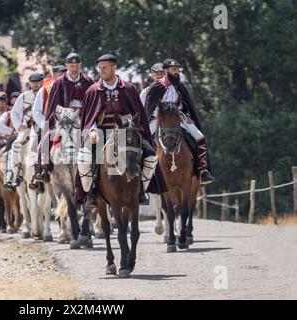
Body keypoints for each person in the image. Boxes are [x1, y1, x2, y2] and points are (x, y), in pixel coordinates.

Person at [76, 53, 168, 209]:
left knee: (151, 155)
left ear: (114, 67)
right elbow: (89, 117)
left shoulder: (129, 89)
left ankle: (141, 190)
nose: (101, 70)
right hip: (102, 133)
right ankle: (90, 193)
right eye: (100, 68)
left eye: (104, 67)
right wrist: (91, 130)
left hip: (126, 132)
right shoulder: (93, 90)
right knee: (84, 158)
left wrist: (130, 121)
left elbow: (137, 114)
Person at [144, 59, 215, 184]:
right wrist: (155, 117)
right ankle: (144, 173)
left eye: (177, 69)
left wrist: (187, 114)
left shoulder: (181, 86)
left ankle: (202, 169)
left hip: (179, 118)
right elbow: (149, 107)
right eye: (174, 69)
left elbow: (187, 105)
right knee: (145, 139)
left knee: (199, 137)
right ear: (166, 71)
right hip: (158, 119)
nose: (177, 72)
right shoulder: (156, 86)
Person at [34, 53, 94, 185]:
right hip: (63, 119)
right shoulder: (59, 82)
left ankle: (100, 169)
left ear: (80, 65)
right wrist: (65, 112)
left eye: (76, 65)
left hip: (84, 119)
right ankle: (42, 169)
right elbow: (54, 104)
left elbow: (93, 103)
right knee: (46, 136)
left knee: (98, 136)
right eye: (71, 65)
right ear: (66, 66)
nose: (74, 68)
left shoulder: (88, 81)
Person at [7, 72, 44, 189]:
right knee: (17, 145)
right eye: (33, 83)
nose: (35, 85)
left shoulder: (47, 93)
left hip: (44, 126)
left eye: (38, 82)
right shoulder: (24, 96)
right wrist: (19, 125)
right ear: (30, 84)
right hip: (28, 128)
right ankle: (18, 174)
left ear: (42, 82)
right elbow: (14, 112)